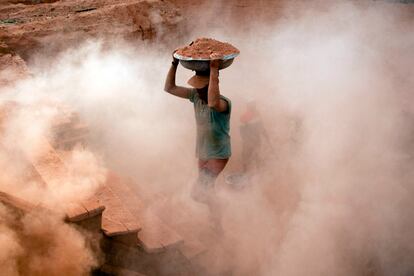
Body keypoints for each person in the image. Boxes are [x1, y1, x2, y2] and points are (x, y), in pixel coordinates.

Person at [164, 52, 231, 228]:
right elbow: (169, 88)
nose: (199, 91)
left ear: (210, 86)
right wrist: (174, 63)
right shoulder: (195, 97)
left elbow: (213, 102)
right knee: (206, 190)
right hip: (203, 152)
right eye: (198, 88)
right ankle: (217, 220)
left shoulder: (223, 103)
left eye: (202, 88)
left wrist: (215, 71)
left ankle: (220, 209)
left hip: (218, 153)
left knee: (198, 193)